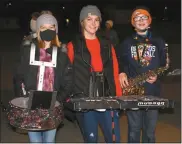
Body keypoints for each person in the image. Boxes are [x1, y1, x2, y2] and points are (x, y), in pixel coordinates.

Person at [66, 5, 122, 143]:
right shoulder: (73, 45)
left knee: (114, 139)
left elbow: (114, 71)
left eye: (96, 20)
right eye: (89, 19)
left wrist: (118, 98)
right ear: (82, 22)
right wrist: (69, 98)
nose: (93, 23)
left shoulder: (107, 44)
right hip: (85, 102)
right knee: (91, 140)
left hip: (107, 99)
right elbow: (67, 74)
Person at [15, 14, 73, 143]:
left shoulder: (61, 55)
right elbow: (19, 77)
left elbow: (68, 80)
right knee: (35, 142)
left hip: (52, 105)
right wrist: (23, 99)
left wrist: (58, 100)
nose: (48, 31)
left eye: (51, 27)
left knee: (49, 141)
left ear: (56, 30)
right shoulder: (27, 50)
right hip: (31, 105)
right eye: (43, 27)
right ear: (38, 30)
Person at [117, 6, 168, 143]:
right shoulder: (127, 42)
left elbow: (165, 65)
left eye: (144, 17)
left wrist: (159, 76)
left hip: (153, 91)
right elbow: (120, 60)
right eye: (137, 18)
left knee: (150, 132)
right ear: (133, 22)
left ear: (149, 20)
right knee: (133, 130)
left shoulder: (159, 41)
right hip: (133, 92)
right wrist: (121, 72)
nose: (141, 20)